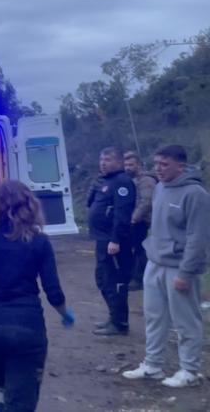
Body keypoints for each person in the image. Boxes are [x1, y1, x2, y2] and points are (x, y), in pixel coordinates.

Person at [0, 180, 74, 412]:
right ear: (30, 205)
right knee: (21, 401)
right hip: (25, 331)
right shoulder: (39, 242)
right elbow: (53, 292)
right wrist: (65, 314)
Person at [122, 145, 209, 388]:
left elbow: (198, 237)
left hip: (179, 267)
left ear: (181, 166)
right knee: (154, 317)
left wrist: (186, 272)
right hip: (155, 263)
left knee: (186, 321)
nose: (158, 169)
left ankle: (190, 371)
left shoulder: (196, 194)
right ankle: (153, 365)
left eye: (164, 164)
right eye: (156, 163)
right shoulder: (160, 188)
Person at [87, 147, 136, 336]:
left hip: (113, 242)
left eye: (107, 160)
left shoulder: (122, 182)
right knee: (102, 279)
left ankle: (120, 323)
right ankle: (113, 316)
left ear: (119, 162)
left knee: (114, 281)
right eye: (101, 159)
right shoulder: (106, 181)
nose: (103, 163)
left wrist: (115, 239)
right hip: (102, 239)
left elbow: (122, 214)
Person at [123, 152, 156, 291]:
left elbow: (147, 202)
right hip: (133, 220)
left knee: (140, 250)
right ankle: (133, 276)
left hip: (142, 221)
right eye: (126, 165)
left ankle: (139, 279)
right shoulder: (131, 179)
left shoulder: (146, 180)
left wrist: (134, 218)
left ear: (139, 165)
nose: (128, 167)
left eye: (131, 164)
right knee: (133, 249)